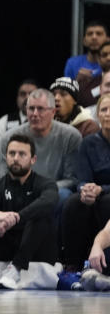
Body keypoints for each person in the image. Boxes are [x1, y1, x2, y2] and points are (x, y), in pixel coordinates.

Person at [0, 134, 59, 290]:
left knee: (41, 214)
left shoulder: (45, 183)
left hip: (34, 248)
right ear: (5, 157)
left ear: (33, 159)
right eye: (12, 153)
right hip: (5, 243)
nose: (16, 158)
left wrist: (17, 218)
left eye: (22, 154)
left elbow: (50, 201)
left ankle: (16, 269)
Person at [1, 88, 82, 204]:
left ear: (53, 112)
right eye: (31, 109)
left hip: (55, 191)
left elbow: (72, 179)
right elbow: (4, 179)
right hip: (19, 190)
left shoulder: (71, 136)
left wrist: (40, 188)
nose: (35, 114)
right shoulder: (9, 138)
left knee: (64, 195)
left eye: (40, 109)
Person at [63, 93, 110, 270]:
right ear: (97, 115)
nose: (107, 113)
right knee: (74, 202)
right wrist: (85, 189)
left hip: (105, 194)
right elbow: (82, 178)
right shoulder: (88, 143)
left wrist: (101, 189)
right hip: (94, 194)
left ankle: (105, 264)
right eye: (103, 110)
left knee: (107, 202)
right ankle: (72, 265)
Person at [0, 80, 38, 172]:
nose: (27, 97)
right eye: (23, 94)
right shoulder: (5, 121)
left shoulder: (47, 121)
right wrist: (6, 170)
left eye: (32, 94)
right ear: (17, 98)